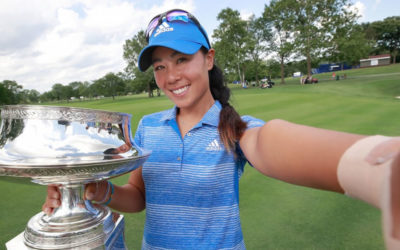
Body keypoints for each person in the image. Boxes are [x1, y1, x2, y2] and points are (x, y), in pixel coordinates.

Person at [43, 9, 400, 250]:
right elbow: (137, 198)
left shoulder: (236, 127)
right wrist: (95, 189)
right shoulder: (149, 127)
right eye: (160, 66)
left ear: (208, 58)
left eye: (182, 59)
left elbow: (270, 143)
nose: (171, 76)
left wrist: (377, 169)